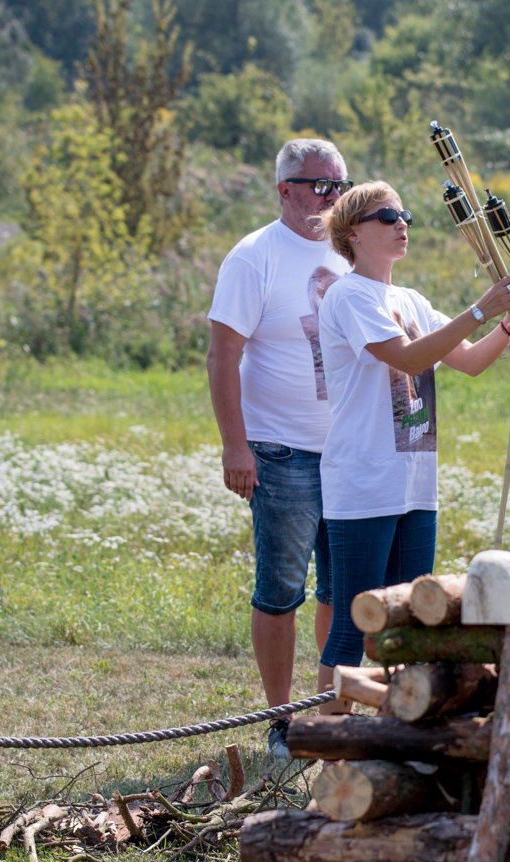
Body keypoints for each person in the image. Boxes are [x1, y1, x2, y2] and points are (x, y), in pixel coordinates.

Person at [315, 181, 510, 706]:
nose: (401, 222)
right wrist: (480, 310)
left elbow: (471, 362)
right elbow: (408, 358)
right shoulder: (347, 295)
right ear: (353, 233)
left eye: (403, 213)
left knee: (411, 622)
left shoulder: (408, 299)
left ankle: (397, 733)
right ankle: (323, 738)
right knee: (353, 624)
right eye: (387, 216)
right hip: (363, 482)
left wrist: (505, 326)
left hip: (414, 485)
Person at [206, 137, 354, 761]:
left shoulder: (352, 253)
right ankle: (280, 720)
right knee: (281, 589)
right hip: (280, 452)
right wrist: (234, 447)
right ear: (285, 190)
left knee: (339, 589)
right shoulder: (254, 257)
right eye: (320, 185)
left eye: (340, 184)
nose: (331, 196)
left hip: (351, 451)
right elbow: (223, 355)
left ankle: (328, 712)